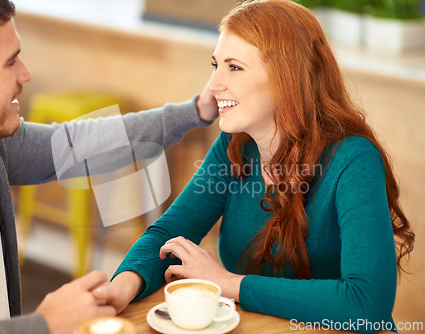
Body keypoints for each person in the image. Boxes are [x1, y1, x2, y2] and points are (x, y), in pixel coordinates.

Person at [95, 1, 415, 333]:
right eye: (215, 64)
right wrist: (122, 286)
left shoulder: (354, 160)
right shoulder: (235, 147)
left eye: (234, 67)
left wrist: (229, 283)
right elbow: (167, 233)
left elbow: (367, 303)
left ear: (286, 77)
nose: (213, 85)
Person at [0, 1, 218, 334]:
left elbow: (84, 143)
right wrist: (43, 324)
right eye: (9, 62)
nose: (25, 74)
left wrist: (196, 111)